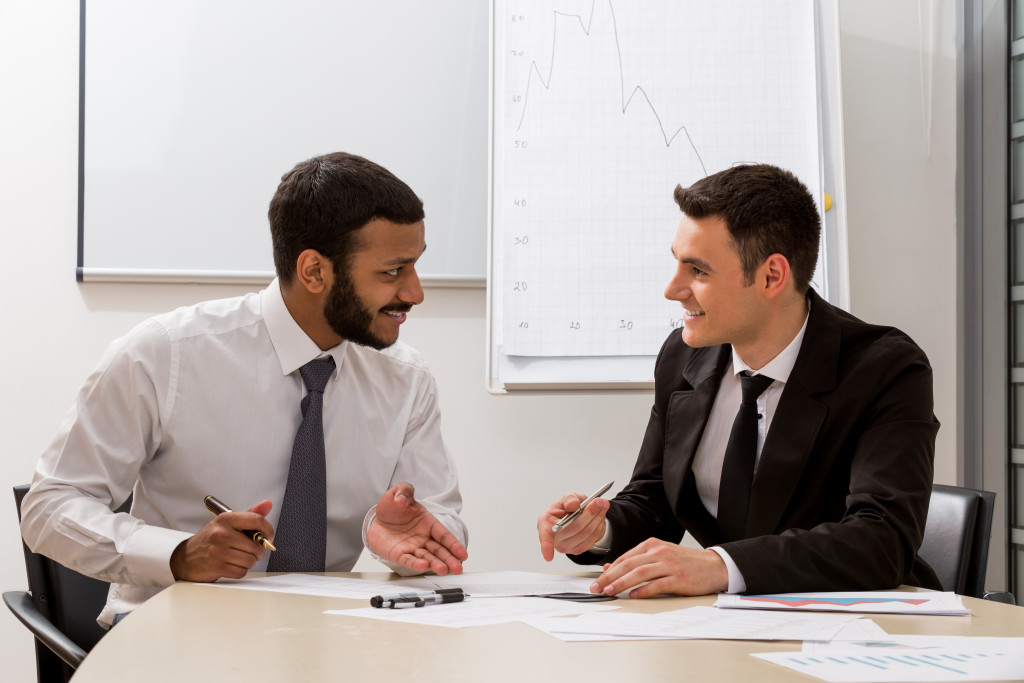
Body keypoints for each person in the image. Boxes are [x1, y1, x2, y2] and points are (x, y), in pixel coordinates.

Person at [21, 152, 468, 626]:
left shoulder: (406, 379)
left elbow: (438, 518)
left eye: (416, 266)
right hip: (172, 637)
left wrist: (398, 538)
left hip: (320, 637)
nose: (415, 292)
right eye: (393, 271)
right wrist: (178, 553)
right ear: (314, 271)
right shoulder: (165, 354)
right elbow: (50, 507)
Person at [537, 164, 941, 598]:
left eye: (697, 270)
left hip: (861, 630)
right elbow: (655, 501)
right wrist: (600, 528)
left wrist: (721, 566)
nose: (672, 289)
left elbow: (881, 542)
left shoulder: (886, 368)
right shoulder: (683, 356)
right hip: (729, 628)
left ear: (771, 276)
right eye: (676, 262)